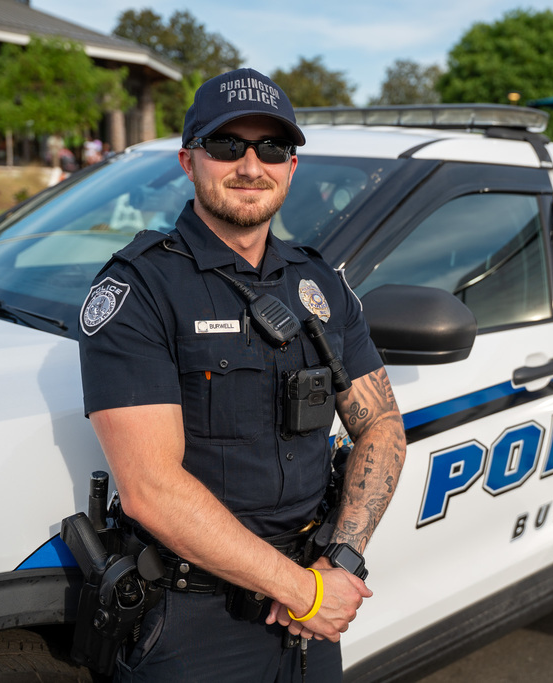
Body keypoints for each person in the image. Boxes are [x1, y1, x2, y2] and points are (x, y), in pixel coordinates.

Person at [77, 67, 406, 682]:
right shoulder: (141, 286)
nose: (250, 165)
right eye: (227, 145)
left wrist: (344, 559)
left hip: (314, 603)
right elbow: (150, 487)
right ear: (188, 160)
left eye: (272, 148)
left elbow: (382, 423)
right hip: (196, 621)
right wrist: (303, 591)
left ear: (291, 166)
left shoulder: (322, 283)